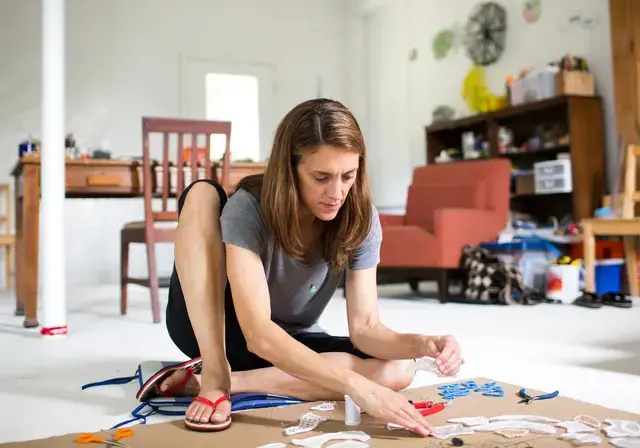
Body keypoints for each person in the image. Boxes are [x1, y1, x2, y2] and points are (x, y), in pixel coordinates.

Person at [150, 99, 462, 436]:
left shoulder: (361, 218)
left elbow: (367, 328)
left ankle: (227, 382)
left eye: (348, 176)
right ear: (290, 169)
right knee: (201, 193)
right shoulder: (248, 209)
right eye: (321, 177)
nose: (337, 192)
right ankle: (213, 372)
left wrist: (424, 343)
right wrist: (355, 387)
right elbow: (257, 335)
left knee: (400, 370)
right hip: (216, 327)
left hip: (286, 340)